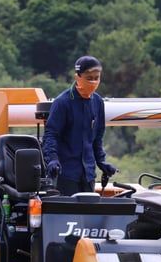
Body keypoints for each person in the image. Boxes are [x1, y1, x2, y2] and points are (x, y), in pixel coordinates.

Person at [42, 55, 118, 196]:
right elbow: (51, 134)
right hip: (66, 174)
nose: (94, 82)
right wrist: (52, 159)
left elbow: (97, 137)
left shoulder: (98, 102)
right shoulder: (62, 102)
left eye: (97, 78)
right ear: (77, 77)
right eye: (89, 78)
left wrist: (101, 162)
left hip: (88, 175)